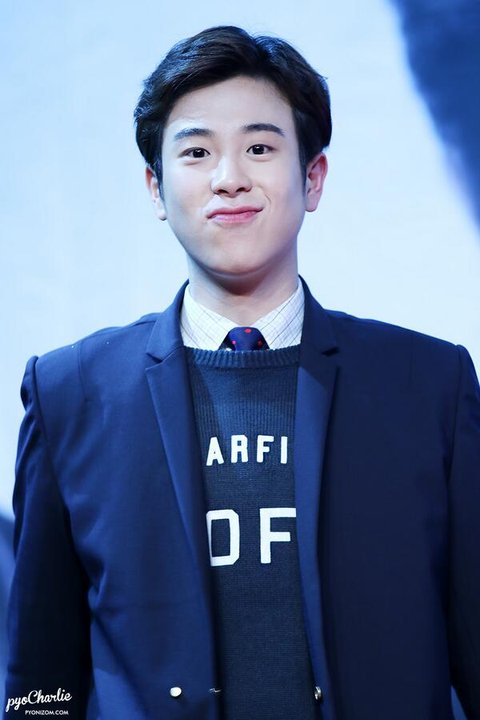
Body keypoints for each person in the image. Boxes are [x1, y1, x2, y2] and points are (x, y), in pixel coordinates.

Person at [4, 25, 480, 720]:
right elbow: (37, 683)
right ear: (156, 188)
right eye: (196, 152)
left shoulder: (427, 384)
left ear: (312, 178)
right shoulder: (71, 392)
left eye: (260, 147)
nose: (229, 177)